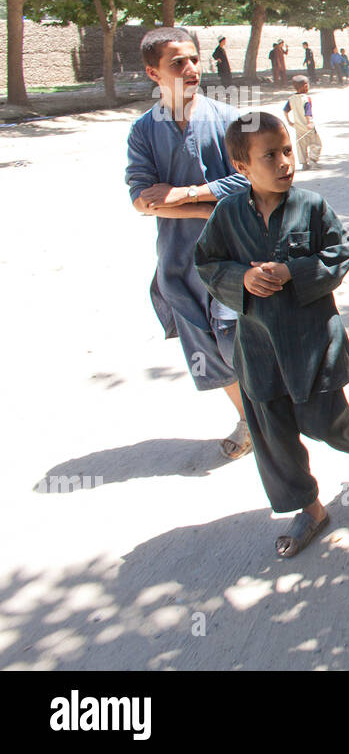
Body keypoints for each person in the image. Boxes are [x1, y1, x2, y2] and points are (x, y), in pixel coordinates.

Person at [195, 112, 349, 558]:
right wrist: (241, 278)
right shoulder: (226, 213)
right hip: (258, 347)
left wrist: (294, 271)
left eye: (287, 151)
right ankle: (309, 509)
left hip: (311, 342)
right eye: (270, 156)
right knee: (274, 437)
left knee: (324, 422)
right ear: (241, 167)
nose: (284, 162)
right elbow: (207, 263)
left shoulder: (311, 206)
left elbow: (339, 254)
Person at [125, 27, 251, 459]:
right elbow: (141, 199)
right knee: (204, 347)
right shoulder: (143, 131)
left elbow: (252, 181)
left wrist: (182, 194)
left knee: (237, 338)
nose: (192, 69)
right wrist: (205, 206)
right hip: (180, 261)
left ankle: (276, 420)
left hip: (235, 255)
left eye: (195, 59)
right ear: (152, 72)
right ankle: (248, 420)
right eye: (178, 62)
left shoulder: (231, 120)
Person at [284, 75, 321, 169]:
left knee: (301, 144)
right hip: (307, 125)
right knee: (316, 143)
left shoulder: (291, 99)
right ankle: (313, 159)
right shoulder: (306, 99)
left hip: (298, 126)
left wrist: (289, 122)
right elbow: (307, 112)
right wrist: (310, 122)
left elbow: (285, 110)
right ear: (305, 86)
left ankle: (304, 163)